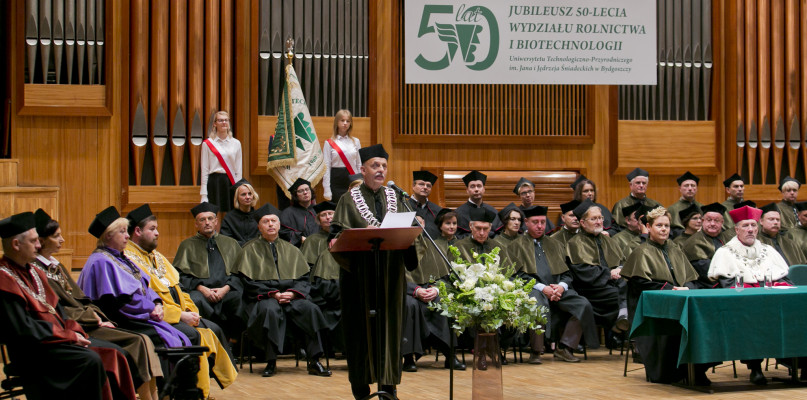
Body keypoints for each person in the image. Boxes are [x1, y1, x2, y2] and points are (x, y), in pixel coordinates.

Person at [33, 209, 162, 400]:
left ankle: (152, 396)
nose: (62, 240)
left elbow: (83, 299)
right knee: (139, 341)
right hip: (79, 325)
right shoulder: (38, 271)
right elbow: (59, 308)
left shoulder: (57, 266)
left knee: (144, 340)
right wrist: (95, 319)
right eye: (57, 236)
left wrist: (97, 316)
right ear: (41, 241)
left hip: (91, 319)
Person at [329, 144, 418, 399]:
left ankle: (389, 387)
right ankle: (360, 388)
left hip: (390, 275)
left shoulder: (398, 198)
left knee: (390, 330)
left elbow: (410, 236)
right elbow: (336, 236)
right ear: (363, 170)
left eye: (384, 166)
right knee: (359, 333)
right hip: (359, 277)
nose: (381, 170)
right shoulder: (348, 200)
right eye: (375, 166)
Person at [123, 204, 238, 396]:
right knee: (196, 335)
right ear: (137, 231)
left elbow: (178, 286)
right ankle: (187, 391)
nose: (158, 233)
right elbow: (147, 299)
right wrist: (180, 315)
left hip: (180, 312)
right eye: (152, 229)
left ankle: (200, 389)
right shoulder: (129, 259)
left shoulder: (156, 256)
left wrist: (192, 311)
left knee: (213, 328)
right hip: (158, 317)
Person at [0, 212, 109, 400]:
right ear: (16, 245)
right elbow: (23, 329)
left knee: (109, 352)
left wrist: (75, 332)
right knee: (90, 360)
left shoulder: (34, 272)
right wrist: (67, 336)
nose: (39, 245)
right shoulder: (4, 279)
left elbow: (58, 311)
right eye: (34, 241)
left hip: (54, 342)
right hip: (32, 351)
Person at [235, 203, 331, 378]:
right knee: (270, 310)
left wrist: (293, 293)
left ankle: (315, 360)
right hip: (263, 297)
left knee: (310, 309)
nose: (270, 224)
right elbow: (248, 282)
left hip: (291, 295)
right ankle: (271, 361)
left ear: (279, 225)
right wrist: (273, 294)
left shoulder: (292, 250)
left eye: (274, 221)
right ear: (259, 226)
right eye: (266, 221)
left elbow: (303, 279)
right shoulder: (249, 250)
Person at [78, 206, 192, 351]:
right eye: (122, 231)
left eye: (127, 231)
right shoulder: (101, 261)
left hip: (139, 314)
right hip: (122, 319)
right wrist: (151, 308)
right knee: (173, 340)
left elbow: (144, 285)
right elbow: (122, 301)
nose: (127, 236)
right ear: (108, 236)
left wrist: (157, 303)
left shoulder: (121, 257)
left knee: (183, 337)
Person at [620, 207, 710, 385]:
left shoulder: (675, 248)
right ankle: (674, 372)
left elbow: (691, 278)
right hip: (652, 307)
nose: (664, 229)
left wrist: (687, 288)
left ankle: (696, 368)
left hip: (679, 300)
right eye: (659, 225)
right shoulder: (641, 251)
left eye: (667, 226)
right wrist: (670, 289)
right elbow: (640, 282)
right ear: (648, 227)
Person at [708, 205, 792, 385]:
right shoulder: (725, 253)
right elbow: (727, 285)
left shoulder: (768, 251)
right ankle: (755, 368)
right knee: (754, 320)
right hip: (741, 307)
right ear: (736, 229)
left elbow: (783, 279)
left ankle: (798, 363)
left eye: (753, 225)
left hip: (773, 304)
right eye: (745, 226)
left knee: (795, 316)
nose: (750, 230)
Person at [506, 205, 599, 364]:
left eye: (542, 222)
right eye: (535, 222)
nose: (540, 226)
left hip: (557, 288)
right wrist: (544, 288)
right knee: (535, 303)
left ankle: (565, 347)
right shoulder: (516, 246)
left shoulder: (555, 243)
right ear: (526, 222)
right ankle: (536, 351)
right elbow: (517, 275)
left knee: (583, 304)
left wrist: (561, 286)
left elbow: (567, 273)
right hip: (533, 288)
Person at [401, 208, 466, 373]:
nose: (417, 227)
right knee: (410, 306)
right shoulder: (398, 246)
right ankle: (408, 358)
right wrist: (415, 290)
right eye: (413, 224)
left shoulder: (431, 245)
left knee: (442, 302)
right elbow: (395, 278)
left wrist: (436, 290)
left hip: (429, 289)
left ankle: (449, 355)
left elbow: (443, 275)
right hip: (407, 292)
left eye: (420, 224)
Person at [174, 202, 246, 340]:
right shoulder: (187, 245)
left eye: (210, 219)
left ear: (216, 221)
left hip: (227, 290)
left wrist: (225, 289)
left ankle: (233, 343)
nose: (207, 222)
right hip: (200, 291)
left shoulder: (231, 243)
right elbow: (180, 276)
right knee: (195, 300)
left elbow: (241, 273)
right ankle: (206, 341)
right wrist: (202, 288)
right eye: (202, 219)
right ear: (196, 224)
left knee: (240, 299)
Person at [565, 200, 629, 338]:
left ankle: (631, 338)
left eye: (600, 218)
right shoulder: (575, 243)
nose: (599, 222)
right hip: (591, 289)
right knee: (619, 296)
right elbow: (583, 272)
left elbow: (622, 260)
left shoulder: (608, 240)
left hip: (612, 284)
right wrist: (609, 274)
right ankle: (619, 323)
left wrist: (619, 269)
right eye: (593, 219)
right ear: (582, 223)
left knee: (635, 291)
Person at [300, 201, 343, 352]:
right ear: (318, 219)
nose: (327, 218)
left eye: (330, 214)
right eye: (323, 215)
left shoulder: (344, 237)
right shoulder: (312, 240)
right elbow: (306, 268)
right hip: (319, 287)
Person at [680, 203, 733, 289]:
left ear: (722, 222)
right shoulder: (694, 242)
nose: (712, 223)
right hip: (705, 285)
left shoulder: (729, 239)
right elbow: (706, 271)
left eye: (716, 220)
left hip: (728, 282)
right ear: (702, 221)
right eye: (709, 220)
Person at [201, 110, 243, 211]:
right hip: (214, 182)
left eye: (226, 120)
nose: (224, 122)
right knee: (215, 214)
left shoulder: (236, 143)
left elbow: (238, 169)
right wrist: (203, 194)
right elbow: (205, 169)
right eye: (220, 120)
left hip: (231, 181)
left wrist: (238, 189)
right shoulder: (207, 144)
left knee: (231, 213)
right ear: (215, 124)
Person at [323, 109, 361, 202]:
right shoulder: (329, 143)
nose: (345, 123)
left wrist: (361, 182)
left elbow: (359, 164)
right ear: (337, 122)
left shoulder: (356, 141)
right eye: (342, 120)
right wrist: (326, 189)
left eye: (348, 121)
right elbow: (326, 167)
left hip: (353, 179)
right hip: (336, 180)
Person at [454, 170, 501, 239]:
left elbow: (498, 235)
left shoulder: (493, 211)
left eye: (479, 186)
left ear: (484, 189)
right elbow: (456, 237)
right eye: (472, 186)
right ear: (467, 190)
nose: (476, 189)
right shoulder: (458, 213)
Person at [220, 179, 260, 246]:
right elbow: (225, 240)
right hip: (236, 253)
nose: (247, 197)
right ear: (237, 197)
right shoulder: (229, 218)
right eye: (243, 194)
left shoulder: (259, 216)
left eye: (250, 194)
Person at [280, 178, 319, 247]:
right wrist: (299, 238)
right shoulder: (288, 213)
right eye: (301, 191)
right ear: (295, 195)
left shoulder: (318, 210)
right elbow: (283, 232)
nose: (305, 192)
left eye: (307, 189)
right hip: (298, 249)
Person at [408, 170, 443, 239]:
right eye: (421, 184)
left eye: (428, 186)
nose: (425, 187)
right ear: (413, 186)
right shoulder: (403, 206)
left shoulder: (438, 210)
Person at [667, 172, 704, 238]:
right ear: (680, 188)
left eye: (693, 185)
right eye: (686, 185)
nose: (690, 188)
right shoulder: (672, 209)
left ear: (697, 188)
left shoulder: (702, 208)